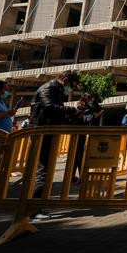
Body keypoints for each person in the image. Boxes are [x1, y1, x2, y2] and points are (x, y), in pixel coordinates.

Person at [31, 70, 82, 203]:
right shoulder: (48, 88)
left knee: (46, 170)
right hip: (41, 131)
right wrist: (71, 110)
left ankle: (38, 204)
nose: (71, 89)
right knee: (43, 171)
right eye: (72, 86)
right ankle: (34, 209)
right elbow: (49, 107)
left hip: (50, 131)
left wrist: (72, 116)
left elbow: (58, 111)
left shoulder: (57, 90)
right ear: (65, 81)